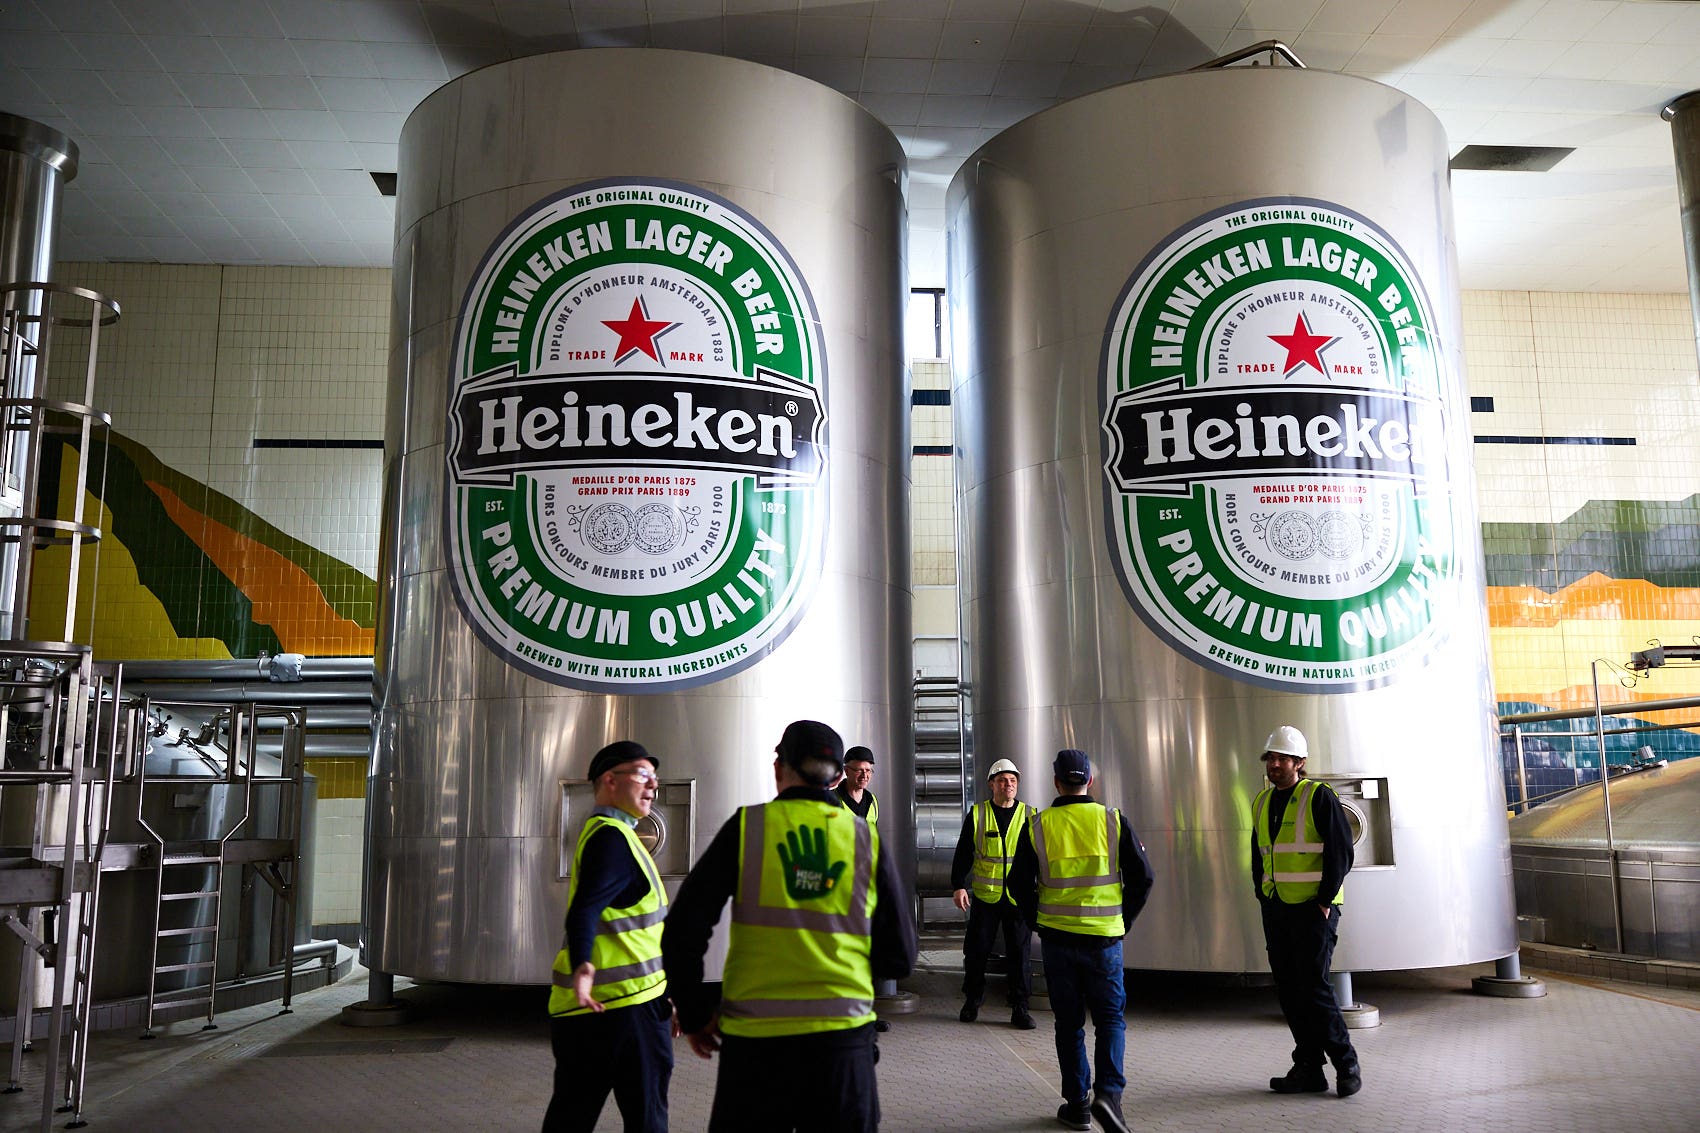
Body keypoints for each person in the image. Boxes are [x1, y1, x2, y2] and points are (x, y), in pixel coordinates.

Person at [662, 720, 918, 1133]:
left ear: (779, 768)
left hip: (755, 1050)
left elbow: (682, 931)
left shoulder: (748, 829)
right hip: (842, 1045)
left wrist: (695, 1013)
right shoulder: (864, 841)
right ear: (837, 778)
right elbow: (900, 956)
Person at [1008, 749, 1154, 1133]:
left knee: (1068, 1024)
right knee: (1110, 1021)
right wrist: (1123, 922)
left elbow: (1017, 884)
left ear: (1056, 782)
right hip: (1104, 942)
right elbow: (1144, 878)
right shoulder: (1112, 820)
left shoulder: (1038, 825)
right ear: (1090, 780)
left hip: (1056, 941)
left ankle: (1078, 1105)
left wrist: (1037, 919)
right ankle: (1110, 1097)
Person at [543, 740, 674, 1133]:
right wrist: (584, 962)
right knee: (647, 1119)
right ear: (609, 780)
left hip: (591, 1009)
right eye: (642, 775)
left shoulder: (608, 834)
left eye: (655, 778)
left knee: (571, 1115)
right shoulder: (612, 839)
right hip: (628, 1011)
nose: (652, 786)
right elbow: (585, 908)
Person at [1251, 725, 1361, 1099]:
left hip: (1314, 910)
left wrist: (1325, 900)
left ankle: (1347, 1064)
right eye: (1271, 758)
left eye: (1283, 758)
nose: (1276, 765)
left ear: (1300, 763)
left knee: (1314, 989)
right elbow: (1259, 854)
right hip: (1278, 907)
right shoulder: (1262, 802)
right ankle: (1309, 1068)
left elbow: (1341, 851)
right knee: (1290, 991)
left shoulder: (1318, 796)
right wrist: (1263, 895)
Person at [950, 757, 1037, 1029]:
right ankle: (972, 1000)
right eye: (1002, 780)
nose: (1008, 785)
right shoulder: (978, 814)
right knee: (976, 952)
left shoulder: (1030, 814)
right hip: (986, 897)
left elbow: (1039, 857)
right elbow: (964, 852)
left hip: (1018, 897)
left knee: (1020, 954)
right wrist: (958, 885)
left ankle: (1020, 1008)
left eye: (1012, 781)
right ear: (992, 784)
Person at [835, 745, 879, 824]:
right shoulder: (831, 800)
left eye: (868, 770)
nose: (864, 775)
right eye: (859, 770)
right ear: (846, 771)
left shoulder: (872, 801)